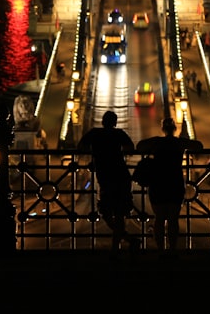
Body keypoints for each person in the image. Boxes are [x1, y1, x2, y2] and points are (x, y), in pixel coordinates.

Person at [135, 117, 203, 257]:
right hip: (175, 182)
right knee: (173, 218)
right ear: (175, 129)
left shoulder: (157, 142)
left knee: (159, 218)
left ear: (163, 129)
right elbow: (199, 146)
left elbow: (140, 146)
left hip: (158, 182)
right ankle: (172, 249)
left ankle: (160, 248)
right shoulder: (179, 143)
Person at [77, 110, 136, 252]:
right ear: (115, 123)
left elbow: (81, 146)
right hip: (121, 175)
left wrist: (94, 155)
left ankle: (125, 241)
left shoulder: (94, 133)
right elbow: (131, 148)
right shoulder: (119, 134)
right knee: (120, 213)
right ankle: (121, 244)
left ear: (103, 122)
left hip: (105, 177)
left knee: (106, 211)